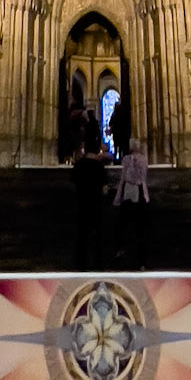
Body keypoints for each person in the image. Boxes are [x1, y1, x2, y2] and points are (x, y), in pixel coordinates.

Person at [72, 111, 107, 266]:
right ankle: (98, 262)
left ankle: (81, 263)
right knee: (97, 235)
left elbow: (73, 181)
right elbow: (105, 187)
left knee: (82, 236)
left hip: (81, 204)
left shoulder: (79, 165)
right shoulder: (99, 167)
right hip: (96, 205)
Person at [112, 137, 149, 268]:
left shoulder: (141, 159)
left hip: (137, 194)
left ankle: (139, 260)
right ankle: (124, 253)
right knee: (126, 226)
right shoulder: (128, 159)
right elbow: (125, 177)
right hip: (130, 194)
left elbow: (139, 177)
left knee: (137, 228)